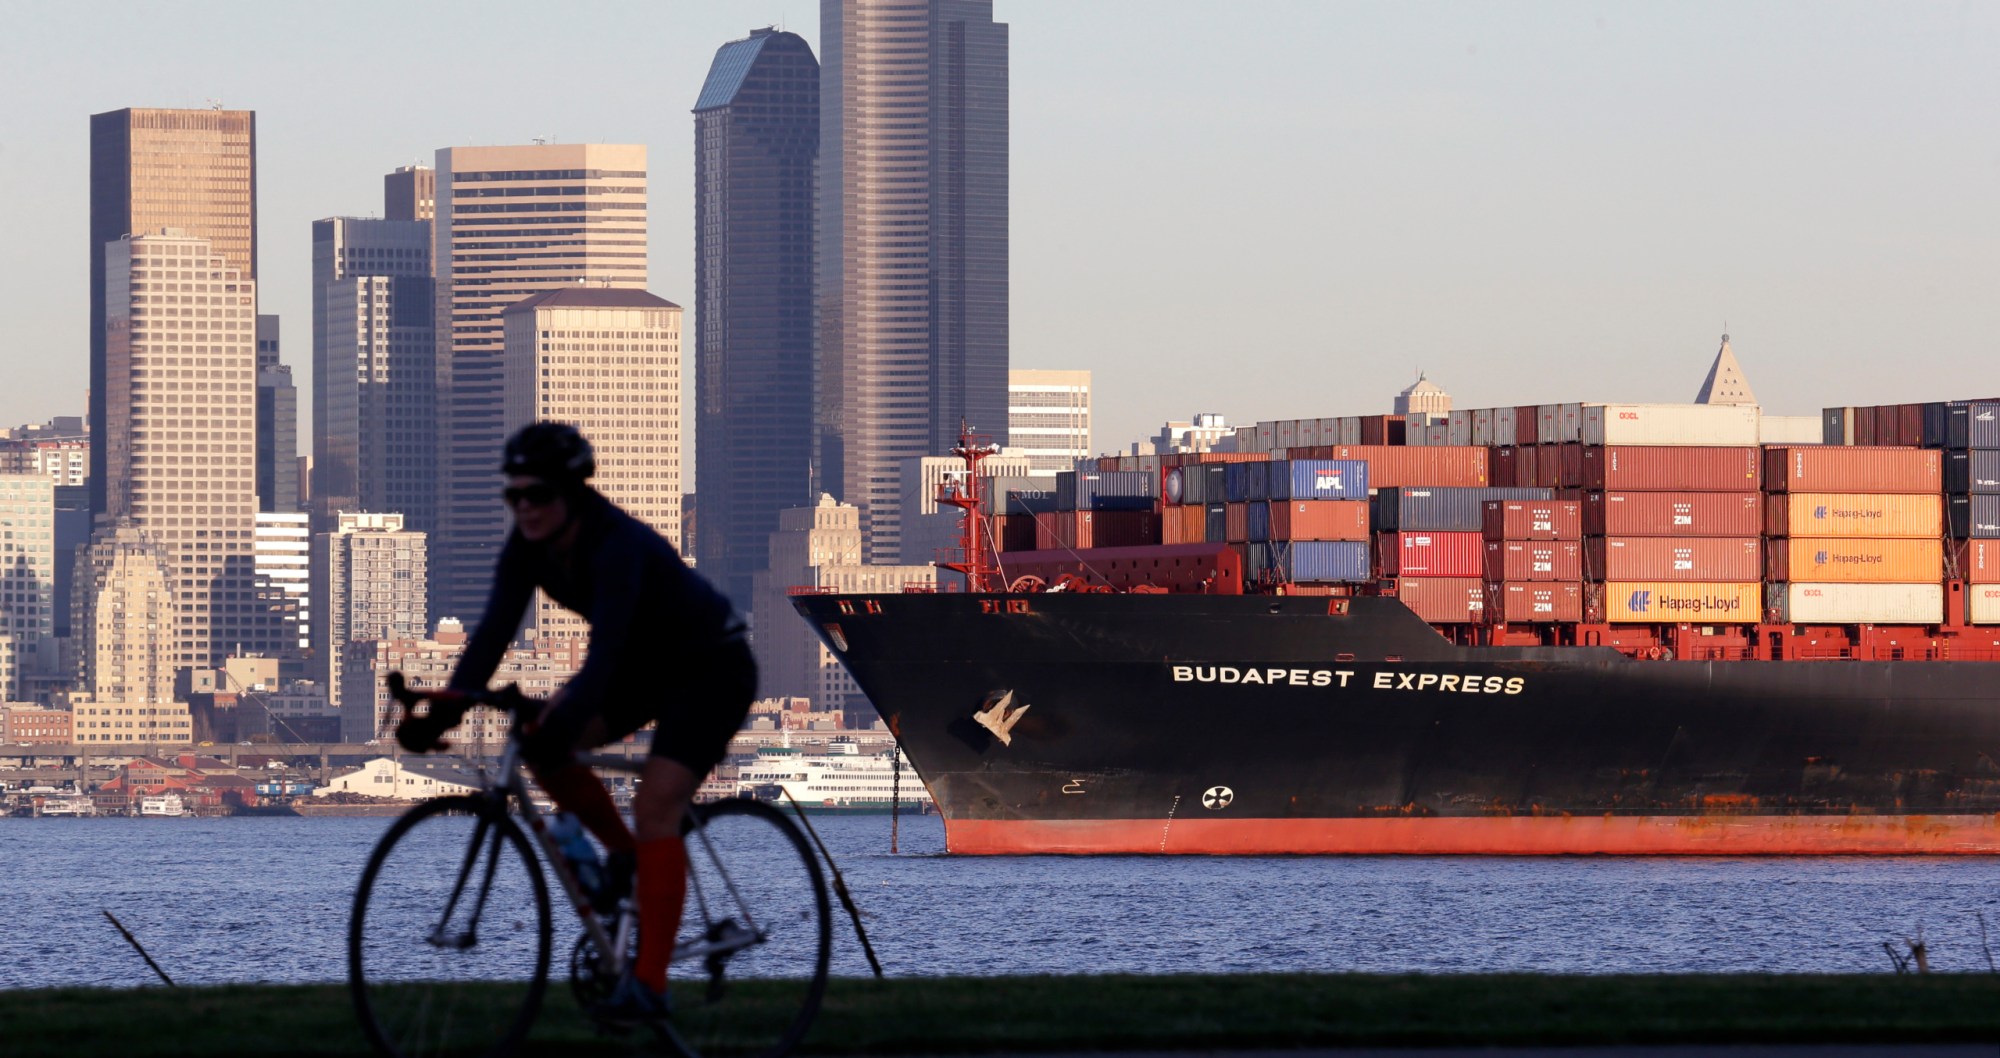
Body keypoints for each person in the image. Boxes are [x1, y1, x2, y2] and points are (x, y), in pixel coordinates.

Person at [396, 421, 754, 1022]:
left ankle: (650, 985)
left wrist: (567, 716)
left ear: (572, 492)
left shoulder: (616, 545)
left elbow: (605, 653)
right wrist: (441, 717)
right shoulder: (525, 549)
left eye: (537, 495)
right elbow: (487, 641)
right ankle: (627, 858)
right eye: (514, 497)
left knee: (655, 808)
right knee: (539, 745)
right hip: (641, 669)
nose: (525, 509)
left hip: (709, 666)